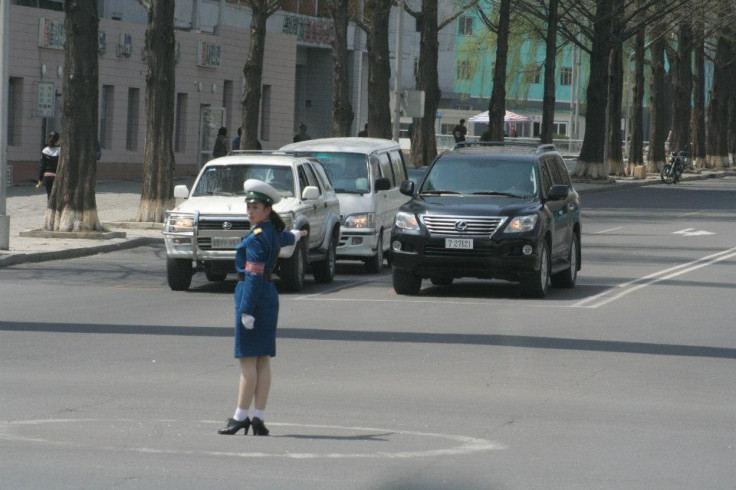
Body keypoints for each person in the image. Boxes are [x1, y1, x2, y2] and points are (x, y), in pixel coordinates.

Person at [218, 179, 307, 436]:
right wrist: (298, 234)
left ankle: (240, 417)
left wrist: (246, 309)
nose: (250, 211)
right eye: (248, 206)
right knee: (263, 360)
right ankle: (258, 417)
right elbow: (284, 236)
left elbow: (254, 275)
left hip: (254, 296)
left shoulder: (257, 238)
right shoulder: (269, 231)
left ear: (267, 210)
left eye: (255, 206)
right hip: (269, 297)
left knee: (248, 361)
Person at [37, 131, 61, 198]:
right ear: (58, 140)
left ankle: (50, 207)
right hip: (58, 176)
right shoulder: (61, 150)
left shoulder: (45, 150)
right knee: (58, 196)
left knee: (49, 195)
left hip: (47, 176)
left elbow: (42, 166)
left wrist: (40, 179)